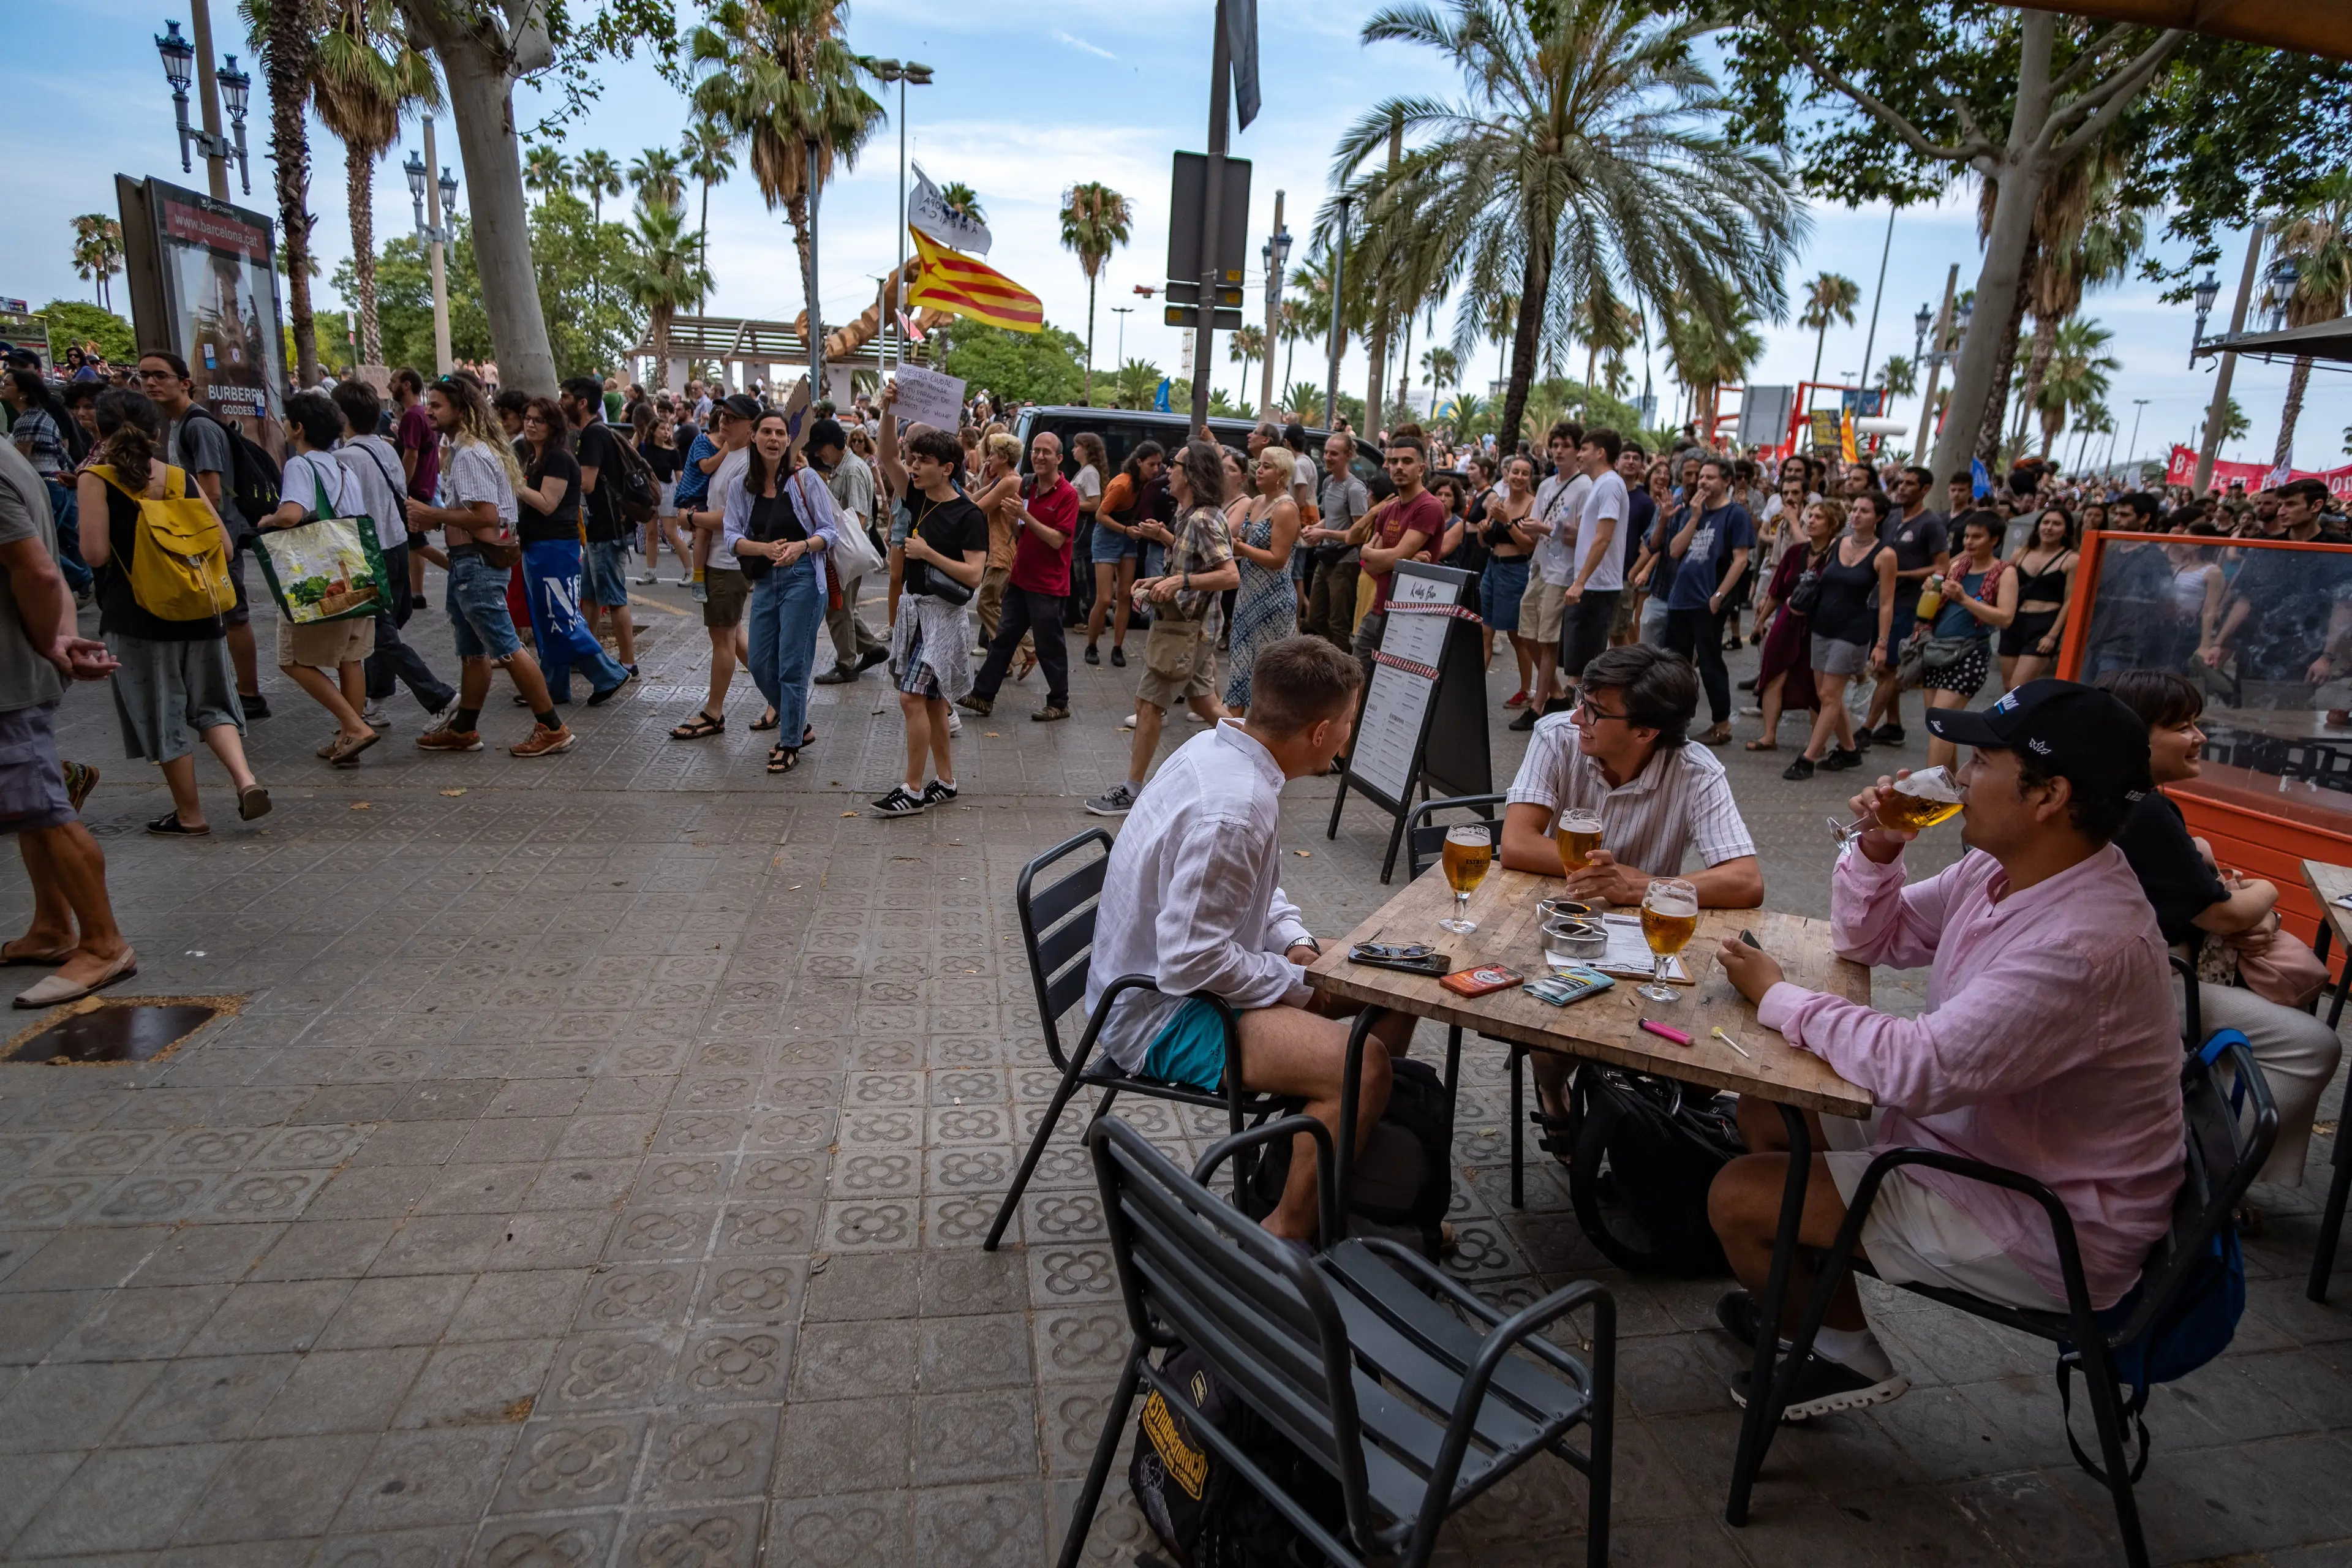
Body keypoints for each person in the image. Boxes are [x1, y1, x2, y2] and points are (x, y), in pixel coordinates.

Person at [1709, 682, 2180, 1419]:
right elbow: (1873, 938)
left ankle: (1840, 1354)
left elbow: (1918, 1067)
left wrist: (1778, 995)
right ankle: (1804, 1306)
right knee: (1770, 1101)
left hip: (2045, 1218)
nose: (1959, 776)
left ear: (2049, 794)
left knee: (1739, 1197)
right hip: (1979, 1141)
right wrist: (1879, 844)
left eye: (1984, 761)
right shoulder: (2004, 868)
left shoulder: (2082, 944)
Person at [1084, 634, 1415, 1240]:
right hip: (1160, 1014)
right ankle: (1286, 1230)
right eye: (1348, 722)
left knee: (1390, 980)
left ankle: (1348, 1164)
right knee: (1364, 1066)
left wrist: (1296, 943)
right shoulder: (1235, 806)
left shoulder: (1224, 751)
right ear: (1319, 732)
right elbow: (1191, 962)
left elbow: (1254, 894)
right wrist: (1300, 987)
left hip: (1175, 983)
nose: (1350, 734)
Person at [2095, 668, 2339, 1191]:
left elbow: (2194, 891)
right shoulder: (2147, 809)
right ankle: (2204, 1181)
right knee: (2313, 1044)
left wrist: (2215, 873)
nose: (2200, 737)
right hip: (2147, 985)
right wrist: (2271, 892)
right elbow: (2225, 915)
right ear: (2135, 735)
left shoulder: (2120, 798)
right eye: (2183, 726)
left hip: (2141, 972)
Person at [1497, 643, 1762, 1118]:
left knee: (1703, 1034)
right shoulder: (1557, 736)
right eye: (1581, 699)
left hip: (1647, 941)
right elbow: (1516, 843)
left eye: (1595, 711)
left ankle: (1651, 1126)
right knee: (1557, 1021)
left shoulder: (1696, 770)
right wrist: (1607, 876)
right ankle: (1554, 1094)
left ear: (1645, 731)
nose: (1577, 717)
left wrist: (1639, 887)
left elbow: (1745, 880)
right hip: (1561, 922)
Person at [76, 389, 270, 833]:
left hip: (138, 615)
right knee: (213, 704)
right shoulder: (180, 478)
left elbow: (94, 554)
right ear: (156, 431)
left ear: (101, 432)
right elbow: (222, 543)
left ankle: (191, 814)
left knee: (163, 713)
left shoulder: (96, 478)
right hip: (199, 610)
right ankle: (245, 781)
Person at [0, 436, 135, 1007]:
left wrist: (49, 644)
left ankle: (103, 945)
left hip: (9, 672)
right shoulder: (9, 454)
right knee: (30, 807)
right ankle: (54, 928)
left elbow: (40, 573)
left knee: (45, 811)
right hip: (19, 664)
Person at [405, 375, 575, 758]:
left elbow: (485, 516)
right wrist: (440, 519)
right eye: (429, 404)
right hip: (471, 563)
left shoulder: (470, 455)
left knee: (507, 648)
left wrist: (431, 512)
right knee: (473, 650)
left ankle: (551, 727)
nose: (428, 411)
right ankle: (464, 728)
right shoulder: (472, 451)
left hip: (477, 565)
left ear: (461, 411)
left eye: (437, 405)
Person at [1088, 440, 1239, 818]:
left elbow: (1229, 575)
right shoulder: (1191, 515)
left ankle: (1132, 790)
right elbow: (1195, 562)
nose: (1167, 470)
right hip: (1189, 628)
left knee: (1148, 704)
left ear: (1192, 475)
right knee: (1204, 702)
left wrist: (1178, 582)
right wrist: (1164, 551)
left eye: (1174, 464)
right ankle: (1259, 753)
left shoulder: (1203, 518)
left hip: (1186, 631)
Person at [872, 378, 987, 816]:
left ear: (948, 468)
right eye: (913, 460)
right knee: (934, 701)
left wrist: (928, 554)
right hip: (914, 614)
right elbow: (885, 456)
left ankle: (913, 788)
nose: (914, 467)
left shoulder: (968, 514)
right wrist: (887, 409)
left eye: (923, 462)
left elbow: (974, 575)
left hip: (943, 618)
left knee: (910, 698)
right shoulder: (916, 497)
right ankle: (947, 782)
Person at [136, 352, 264, 718]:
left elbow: (211, 493)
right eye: (144, 375)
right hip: (202, 537)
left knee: (234, 615)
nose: (150, 383)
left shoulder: (198, 427)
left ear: (184, 382)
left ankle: (250, 694)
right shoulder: (178, 424)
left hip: (212, 538)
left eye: (160, 375)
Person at [257, 390, 381, 767]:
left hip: (320, 575)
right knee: (351, 658)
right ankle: (349, 738)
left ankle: (353, 727)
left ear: (298, 427)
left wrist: (269, 520)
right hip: (357, 570)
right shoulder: (343, 467)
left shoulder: (301, 465)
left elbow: (293, 514)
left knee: (292, 660)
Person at [333, 380, 454, 726]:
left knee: (380, 633)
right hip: (396, 545)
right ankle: (377, 697)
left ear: (344, 417)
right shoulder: (386, 450)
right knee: (382, 630)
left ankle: (439, 696)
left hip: (369, 552)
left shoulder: (344, 459)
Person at [729, 409, 835, 775]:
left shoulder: (805, 479)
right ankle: (799, 722)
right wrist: (764, 549)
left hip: (804, 578)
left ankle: (790, 741)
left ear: (789, 441)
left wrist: (802, 546)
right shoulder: (742, 485)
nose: (774, 439)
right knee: (759, 662)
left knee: (793, 665)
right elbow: (732, 537)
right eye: (767, 432)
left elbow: (829, 531)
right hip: (765, 580)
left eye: (780, 433)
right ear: (754, 438)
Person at [514, 397, 632, 706]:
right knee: (547, 620)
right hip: (538, 546)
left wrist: (514, 484)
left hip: (554, 548)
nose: (530, 424)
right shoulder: (535, 458)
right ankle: (552, 687)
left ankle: (610, 674)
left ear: (553, 425)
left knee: (561, 619)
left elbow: (546, 503)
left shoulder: (558, 459)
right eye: (527, 418)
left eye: (538, 420)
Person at [961, 429, 1077, 723]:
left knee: (1049, 645)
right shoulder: (1028, 486)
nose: (1039, 456)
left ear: (1059, 459)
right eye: (1036, 451)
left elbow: (1056, 540)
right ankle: (983, 695)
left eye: (1046, 452)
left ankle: (1059, 702)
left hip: (1048, 584)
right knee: (1002, 639)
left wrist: (1025, 518)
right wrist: (1015, 520)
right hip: (1021, 578)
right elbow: (1019, 533)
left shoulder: (1067, 495)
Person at [1785, 492, 1899, 781]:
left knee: (1829, 695)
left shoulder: (1885, 554)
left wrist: (1882, 643)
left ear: (1879, 518)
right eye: (1855, 509)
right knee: (1828, 698)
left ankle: (1808, 758)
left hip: (1852, 631)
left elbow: (1886, 603)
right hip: (1822, 625)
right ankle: (1849, 750)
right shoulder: (1838, 544)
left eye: (1865, 511)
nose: (1856, 515)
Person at [668, 395, 758, 741]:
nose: (725, 420)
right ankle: (779, 697)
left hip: (728, 560)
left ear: (750, 427)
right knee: (732, 635)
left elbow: (733, 518)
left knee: (723, 638)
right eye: (723, 414)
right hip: (718, 559)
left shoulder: (746, 463)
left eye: (734, 417)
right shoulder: (726, 455)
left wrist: (690, 517)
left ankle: (714, 712)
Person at [1660, 456, 1754, 744]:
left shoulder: (1735, 515)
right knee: (1674, 664)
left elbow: (1741, 560)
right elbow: (1675, 551)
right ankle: (1674, 721)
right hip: (1680, 599)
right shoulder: (1693, 511)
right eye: (1702, 477)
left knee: (1711, 663)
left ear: (1727, 481)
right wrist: (1695, 517)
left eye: (1711, 477)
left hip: (1707, 602)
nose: (1703, 482)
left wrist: (1719, 596)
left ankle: (1722, 725)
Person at [1916, 511, 2018, 769]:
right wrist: (1931, 589)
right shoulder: (1957, 567)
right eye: (1967, 537)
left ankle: (1930, 793)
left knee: (1940, 725)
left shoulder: (2005, 572)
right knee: (1939, 725)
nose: (1969, 542)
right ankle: (1950, 789)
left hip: (1969, 653)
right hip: (1937, 651)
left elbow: (2005, 618)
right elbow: (1933, 601)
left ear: (1994, 540)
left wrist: (1964, 599)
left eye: (1977, 537)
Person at [1860, 465, 1951, 748]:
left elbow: (1942, 567)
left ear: (1925, 490)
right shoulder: (1891, 518)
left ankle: (1865, 729)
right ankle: (1894, 725)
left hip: (1907, 605)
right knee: (1885, 668)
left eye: (1910, 484)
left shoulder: (1931, 524)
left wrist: (1899, 574)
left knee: (1888, 667)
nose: (1902, 488)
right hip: (1878, 600)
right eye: (1901, 483)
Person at [1349, 427, 1446, 684]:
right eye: (1393, 461)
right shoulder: (1387, 510)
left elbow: (1389, 556)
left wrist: (1391, 558)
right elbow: (1367, 559)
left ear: (1422, 468)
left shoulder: (1429, 507)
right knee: (1356, 682)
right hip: (1378, 609)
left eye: (1407, 461)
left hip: (1409, 614)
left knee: (1393, 686)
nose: (1398, 467)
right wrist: (1399, 561)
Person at [560, 377, 638, 679]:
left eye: (565, 396)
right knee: (590, 597)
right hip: (600, 529)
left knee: (615, 598)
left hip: (607, 528)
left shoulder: (593, 435)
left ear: (582, 402)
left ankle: (629, 663)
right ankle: (587, 654)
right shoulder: (594, 432)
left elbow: (588, 483)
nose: (561, 401)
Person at [1746, 499, 1836, 753]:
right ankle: (1769, 735)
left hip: (1818, 625)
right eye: (1810, 516)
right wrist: (1761, 621)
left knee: (1815, 685)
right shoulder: (1795, 553)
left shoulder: (1837, 555)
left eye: (1818, 517)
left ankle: (1817, 745)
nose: (1811, 521)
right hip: (1787, 621)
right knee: (1773, 674)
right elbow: (1776, 591)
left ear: (1833, 524)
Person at [1222, 445, 1304, 717]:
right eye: (1260, 463)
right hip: (1247, 596)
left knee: (1267, 675)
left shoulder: (1286, 508)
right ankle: (1231, 737)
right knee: (1240, 669)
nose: (1259, 469)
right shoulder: (1257, 502)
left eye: (1267, 466)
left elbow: (1279, 558)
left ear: (1282, 474)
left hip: (1273, 601)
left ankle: (1265, 735)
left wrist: (1242, 549)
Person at [807, 417, 889, 684]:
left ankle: (846, 665)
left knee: (838, 608)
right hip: (845, 550)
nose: (818, 454)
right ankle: (873, 649)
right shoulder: (846, 467)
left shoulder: (852, 470)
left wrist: (834, 545)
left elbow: (860, 517)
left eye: (821, 448)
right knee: (846, 607)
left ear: (834, 444)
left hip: (846, 551)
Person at [1518, 421, 1589, 726]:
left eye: (1565, 446)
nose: (1559, 451)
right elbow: (1533, 530)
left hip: (1563, 572)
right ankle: (1558, 694)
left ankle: (1538, 705)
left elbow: (1584, 536)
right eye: (1555, 445)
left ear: (1578, 451)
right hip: (1539, 566)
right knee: (1526, 633)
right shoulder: (1546, 485)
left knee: (1548, 641)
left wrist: (1545, 529)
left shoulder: (1585, 487)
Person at [1561, 427, 1627, 690]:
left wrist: (1581, 581)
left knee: (1585, 669)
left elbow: (1604, 537)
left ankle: (1583, 725)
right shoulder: (1601, 484)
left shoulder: (1610, 483)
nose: (1579, 454)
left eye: (1585, 449)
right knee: (1577, 666)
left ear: (1600, 453)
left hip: (1596, 587)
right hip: (1591, 585)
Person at [1083, 442, 1158, 668]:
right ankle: (1092, 644)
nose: (1156, 469)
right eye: (1151, 464)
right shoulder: (1123, 484)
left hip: (1128, 538)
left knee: (1125, 595)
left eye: (1159, 464)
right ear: (1139, 462)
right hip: (1108, 537)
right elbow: (1100, 514)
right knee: (1105, 598)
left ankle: (1118, 647)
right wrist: (1126, 529)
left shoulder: (1146, 484)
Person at [1300, 432, 1369, 651]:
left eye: (1334, 454)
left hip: (1345, 561)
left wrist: (1324, 533)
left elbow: (1359, 533)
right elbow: (1331, 519)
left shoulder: (1355, 489)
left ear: (1348, 456)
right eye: (1327, 452)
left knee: (1339, 622)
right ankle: (1334, 655)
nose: (1328, 457)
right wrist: (1315, 528)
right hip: (1326, 557)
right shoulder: (1329, 481)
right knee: (1314, 618)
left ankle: (1343, 671)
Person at [2000, 505, 2078, 690]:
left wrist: (2053, 635)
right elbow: (2002, 583)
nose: (2049, 528)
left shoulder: (2072, 559)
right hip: (2014, 622)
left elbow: (2071, 600)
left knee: (2017, 688)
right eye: (2046, 522)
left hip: (2044, 625)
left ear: (2066, 531)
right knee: (2007, 689)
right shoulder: (2020, 553)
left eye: (2057, 524)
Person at [1485, 456, 1542, 706]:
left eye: (1524, 473)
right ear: (1506, 475)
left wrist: (1507, 522)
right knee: (1484, 630)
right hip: (1492, 568)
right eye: (1515, 472)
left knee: (1517, 635)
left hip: (1514, 571)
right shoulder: (1499, 502)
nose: (1519, 477)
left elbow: (1529, 546)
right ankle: (1474, 686)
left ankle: (1526, 690)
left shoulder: (1533, 505)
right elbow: (1486, 541)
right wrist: (1485, 530)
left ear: (1530, 478)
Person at [391, 368, 439, 611]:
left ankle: (458, 569)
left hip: (414, 486)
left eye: (393, 381)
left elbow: (411, 453)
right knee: (415, 540)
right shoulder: (423, 415)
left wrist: (400, 485)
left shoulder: (412, 416)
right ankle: (417, 592)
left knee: (415, 540)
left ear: (407, 385)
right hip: (426, 484)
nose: (390, 386)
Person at [631, 402, 689, 585]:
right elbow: (630, 451)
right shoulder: (644, 448)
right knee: (651, 533)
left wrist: (683, 500)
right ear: (653, 430)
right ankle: (650, 572)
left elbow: (679, 476)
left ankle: (690, 572)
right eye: (662, 429)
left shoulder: (673, 453)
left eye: (668, 429)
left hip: (668, 492)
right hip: (649, 492)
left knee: (671, 533)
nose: (666, 432)